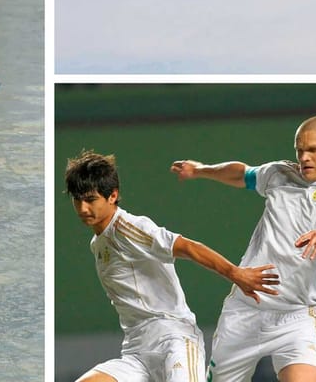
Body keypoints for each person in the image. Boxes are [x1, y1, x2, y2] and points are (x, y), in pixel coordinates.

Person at [170, 116, 316, 382]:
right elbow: (241, 173)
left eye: (313, 149)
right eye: (300, 150)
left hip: (296, 316)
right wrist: (200, 169)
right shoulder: (279, 173)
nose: (304, 157)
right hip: (245, 310)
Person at [65, 150, 280, 382]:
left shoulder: (128, 228)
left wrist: (236, 273)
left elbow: (188, 247)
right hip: (136, 351)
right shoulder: (98, 243)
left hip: (174, 340)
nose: (83, 208)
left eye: (90, 199)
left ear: (112, 196)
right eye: (78, 199)